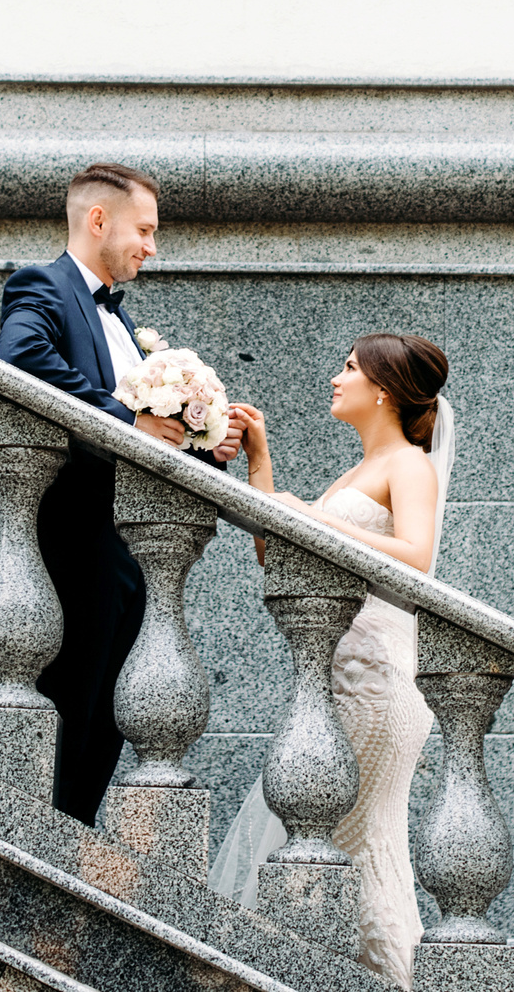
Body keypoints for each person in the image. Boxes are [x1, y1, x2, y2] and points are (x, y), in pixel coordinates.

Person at [0, 162, 251, 825]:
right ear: (99, 219)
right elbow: (22, 357)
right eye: (144, 229)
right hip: (71, 542)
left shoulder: (123, 319)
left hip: (129, 550)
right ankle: (41, 851)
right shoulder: (42, 287)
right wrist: (124, 415)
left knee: (106, 722)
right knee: (68, 712)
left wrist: (203, 443)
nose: (152, 246)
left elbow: (144, 433)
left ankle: (69, 844)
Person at [209, 333, 454, 989]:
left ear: (382, 389)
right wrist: (262, 466)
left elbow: (416, 558)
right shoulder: (352, 474)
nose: (336, 377)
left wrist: (310, 519)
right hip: (331, 679)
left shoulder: (408, 464)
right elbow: (278, 552)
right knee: (324, 849)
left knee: (364, 848)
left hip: (376, 681)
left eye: (349, 368)